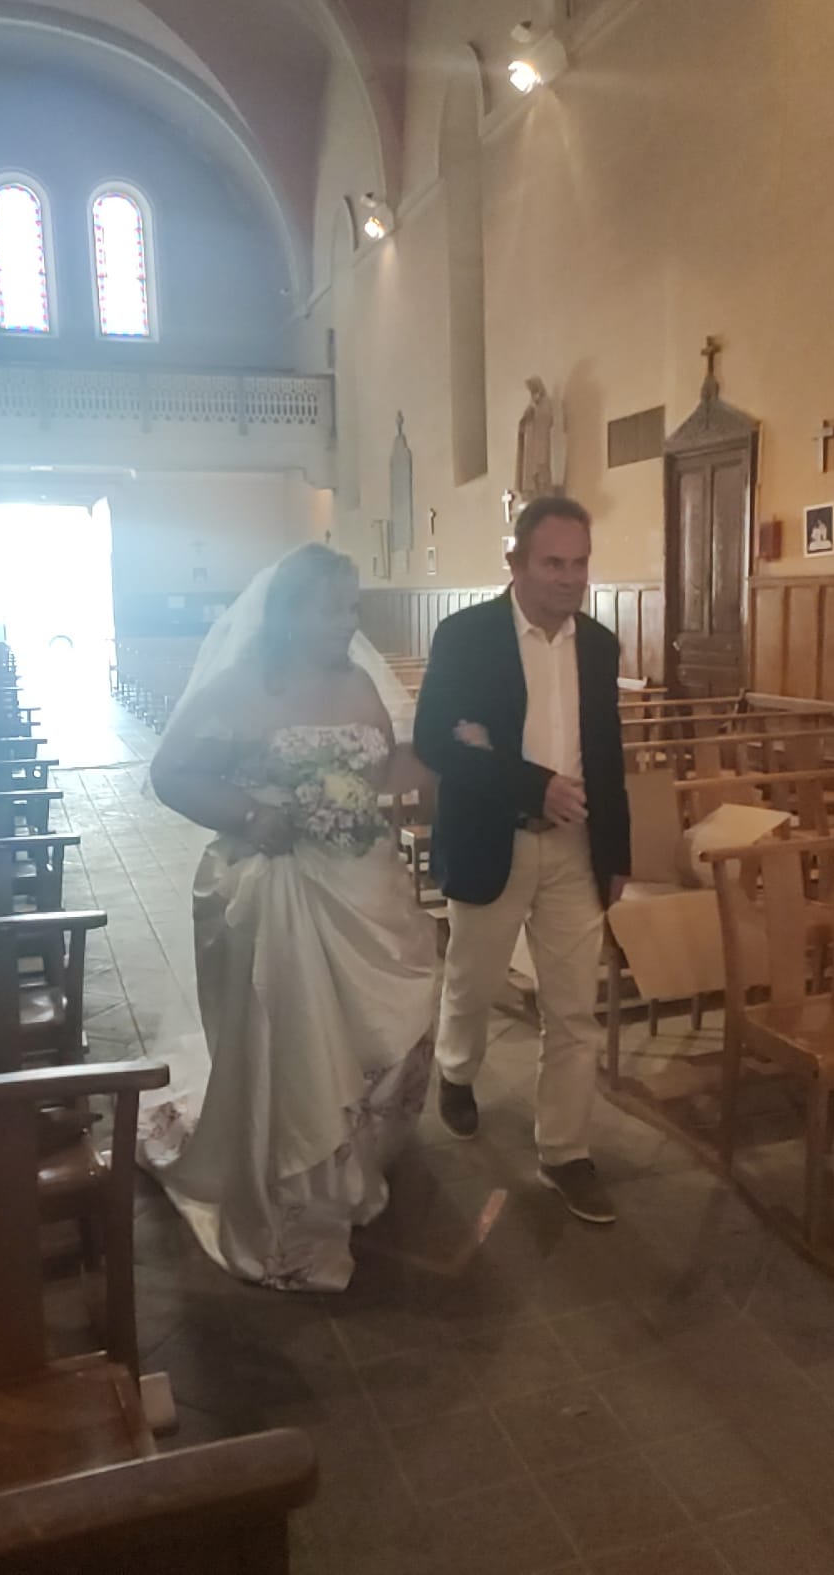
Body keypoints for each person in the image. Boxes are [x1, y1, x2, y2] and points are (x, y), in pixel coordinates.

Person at [141, 543, 436, 1292]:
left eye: (353, 607)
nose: (349, 622)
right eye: (333, 609)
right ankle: (289, 1198)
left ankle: (350, 1172)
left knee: (378, 1031)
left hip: (362, 885)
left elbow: (377, 773)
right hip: (278, 890)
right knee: (299, 1045)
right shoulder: (241, 685)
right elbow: (170, 773)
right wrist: (250, 813)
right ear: (290, 612)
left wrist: (441, 757)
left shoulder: (359, 682)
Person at [413, 496, 630, 1225]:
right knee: (473, 982)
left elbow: (608, 755)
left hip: (576, 847)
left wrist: (618, 854)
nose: (570, 577)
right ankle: (456, 1071)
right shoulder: (465, 635)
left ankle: (565, 1151)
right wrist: (531, 785)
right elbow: (436, 741)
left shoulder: (598, 644)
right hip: (491, 838)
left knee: (573, 1009)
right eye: (553, 562)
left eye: (580, 562)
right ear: (515, 563)